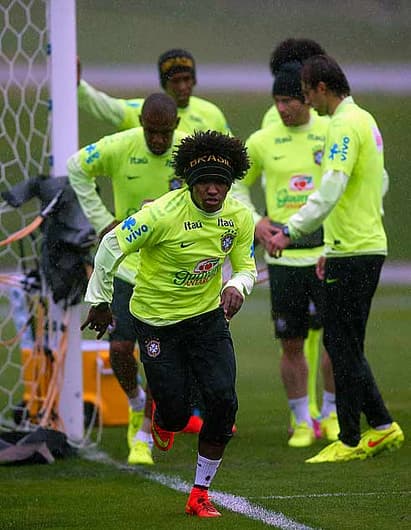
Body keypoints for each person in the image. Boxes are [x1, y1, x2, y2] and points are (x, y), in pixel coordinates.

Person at [81, 130, 257, 517]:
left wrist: (236, 286)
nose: (214, 191)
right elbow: (111, 245)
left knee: (224, 402)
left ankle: (199, 493)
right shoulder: (162, 213)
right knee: (176, 415)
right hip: (157, 322)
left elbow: (246, 267)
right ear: (191, 184)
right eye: (206, 183)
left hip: (208, 319)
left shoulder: (238, 217)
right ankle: (164, 412)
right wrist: (100, 301)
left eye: (221, 183)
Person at [268, 55, 404, 463]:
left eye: (308, 94)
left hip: (356, 251)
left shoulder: (344, 125)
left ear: (322, 89)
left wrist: (291, 230)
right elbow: (377, 182)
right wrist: (330, 245)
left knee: (342, 344)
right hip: (356, 246)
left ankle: (364, 432)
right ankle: (364, 431)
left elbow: (332, 187)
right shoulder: (366, 120)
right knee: (344, 343)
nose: (307, 104)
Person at [68, 93, 186, 465]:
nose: (157, 140)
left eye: (164, 133)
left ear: (176, 128)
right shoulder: (120, 147)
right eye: (150, 132)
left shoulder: (187, 153)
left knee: (160, 357)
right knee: (119, 350)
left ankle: (144, 433)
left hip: (167, 271)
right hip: (125, 267)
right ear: (141, 126)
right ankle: (136, 402)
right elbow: (76, 167)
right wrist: (104, 222)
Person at [231, 61, 337, 448]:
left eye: (289, 100)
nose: (282, 108)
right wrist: (258, 221)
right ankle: (302, 420)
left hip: (325, 254)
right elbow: (236, 186)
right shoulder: (261, 140)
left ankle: (331, 415)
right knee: (291, 343)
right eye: (276, 100)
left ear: (307, 99)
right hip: (283, 260)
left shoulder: (330, 132)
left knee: (335, 340)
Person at [261, 38, 329, 428]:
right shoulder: (276, 122)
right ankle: (310, 413)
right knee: (305, 338)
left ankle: (317, 412)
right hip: (288, 245)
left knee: (317, 337)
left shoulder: (324, 124)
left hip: (318, 245)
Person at [77, 48, 230, 135]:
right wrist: (76, 83)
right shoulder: (142, 110)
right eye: (175, 81)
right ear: (164, 84)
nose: (182, 87)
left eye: (187, 79)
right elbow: (100, 104)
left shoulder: (211, 113)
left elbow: (231, 158)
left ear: (194, 80)